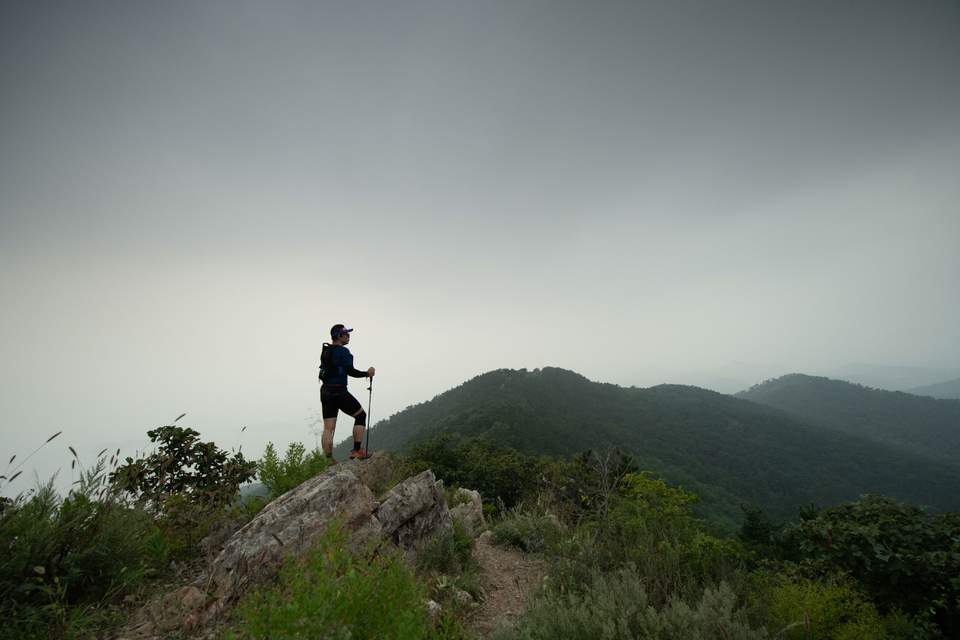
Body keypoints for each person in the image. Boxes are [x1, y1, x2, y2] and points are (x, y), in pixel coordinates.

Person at [319, 324, 375, 461]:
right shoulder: (343, 351)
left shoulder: (326, 351)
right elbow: (351, 371)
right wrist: (368, 373)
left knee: (328, 428)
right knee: (361, 415)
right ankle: (357, 450)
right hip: (339, 391)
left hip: (325, 392)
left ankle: (328, 460)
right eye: (346, 334)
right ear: (339, 336)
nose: (349, 336)